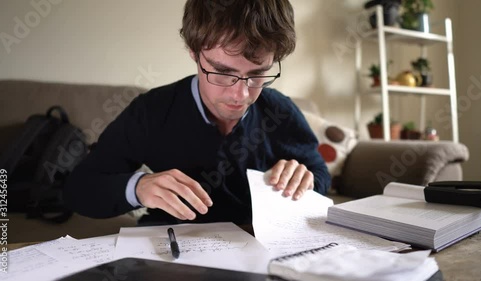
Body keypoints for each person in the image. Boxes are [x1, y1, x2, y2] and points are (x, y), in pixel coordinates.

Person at [64, 0, 331, 226]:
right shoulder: (152, 111)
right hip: (171, 252)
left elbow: (319, 173)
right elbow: (79, 189)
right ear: (193, 52)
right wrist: (137, 187)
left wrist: (304, 180)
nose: (241, 96)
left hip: (261, 249)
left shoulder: (280, 111)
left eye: (257, 74)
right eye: (222, 72)